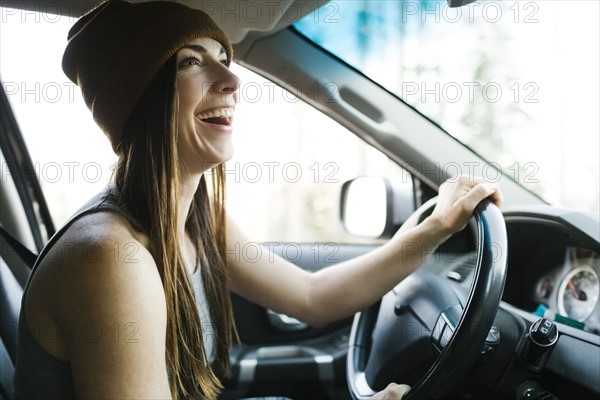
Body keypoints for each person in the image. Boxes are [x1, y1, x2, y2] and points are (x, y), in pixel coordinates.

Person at [11, 1, 503, 399]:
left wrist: (435, 227)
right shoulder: (110, 258)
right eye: (190, 62)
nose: (232, 81)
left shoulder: (194, 218)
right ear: (138, 100)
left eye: (223, 60)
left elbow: (313, 299)